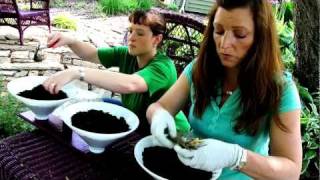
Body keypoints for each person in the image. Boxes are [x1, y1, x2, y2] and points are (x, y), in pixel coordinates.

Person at [146, 0, 302, 179]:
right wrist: (159, 117)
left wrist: (236, 157)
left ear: (260, 37)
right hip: (187, 171)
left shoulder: (281, 90)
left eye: (240, 34)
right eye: (218, 31)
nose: (224, 43)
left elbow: (291, 172)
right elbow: (159, 107)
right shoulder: (200, 68)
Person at [43, 10, 190, 136]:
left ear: (156, 39)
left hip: (167, 133)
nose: (131, 38)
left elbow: (131, 84)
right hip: (134, 118)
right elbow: (92, 54)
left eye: (140, 33)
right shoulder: (126, 54)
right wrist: (70, 40)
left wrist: (76, 72)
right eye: (130, 31)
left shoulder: (163, 66)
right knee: (85, 106)